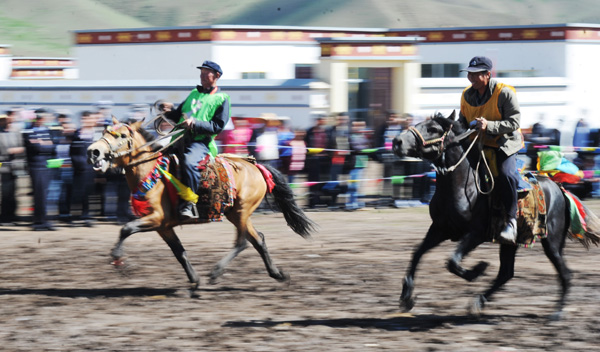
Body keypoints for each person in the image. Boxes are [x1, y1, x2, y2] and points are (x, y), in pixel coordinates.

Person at [459, 56, 522, 243]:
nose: (471, 77)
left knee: (505, 174)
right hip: (478, 143)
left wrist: (489, 126)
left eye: (475, 74)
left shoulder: (505, 93)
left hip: (505, 143)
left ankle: (511, 222)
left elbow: (514, 122)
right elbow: (462, 122)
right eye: (469, 73)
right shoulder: (466, 95)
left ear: (487, 75)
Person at [162, 60, 231, 220]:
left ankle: (189, 203)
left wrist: (195, 123)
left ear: (216, 76)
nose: (202, 76)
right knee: (157, 157)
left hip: (201, 142)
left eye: (206, 73)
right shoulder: (194, 93)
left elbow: (218, 126)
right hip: (179, 138)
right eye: (201, 73)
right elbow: (179, 115)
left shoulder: (222, 98)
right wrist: (168, 111)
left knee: (188, 162)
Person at [23, 108, 57, 231]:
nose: (42, 120)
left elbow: (53, 146)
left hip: (47, 165)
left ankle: (44, 220)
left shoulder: (47, 130)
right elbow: (36, 147)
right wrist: (45, 144)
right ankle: (38, 222)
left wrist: (43, 143)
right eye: (40, 117)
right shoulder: (28, 130)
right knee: (39, 195)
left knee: (46, 195)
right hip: (36, 166)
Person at [0, 111, 25, 224]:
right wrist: (7, 151)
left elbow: (22, 146)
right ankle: (5, 217)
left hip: (15, 165)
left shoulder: (16, 132)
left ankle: (12, 215)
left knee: (14, 191)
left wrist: (17, 150)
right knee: (6, 192)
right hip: (3, 165)